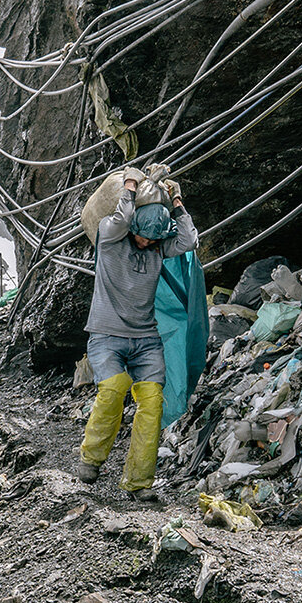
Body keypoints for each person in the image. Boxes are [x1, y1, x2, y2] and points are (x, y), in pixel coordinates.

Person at [77, 166, 199, 501]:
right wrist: (130, 185)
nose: (146, 242)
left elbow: (188, 239)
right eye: (143, 236)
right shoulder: (110, 239)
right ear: (132, 228)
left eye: (152, 239)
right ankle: (91, 458)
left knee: (151, 404)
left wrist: (176, 201)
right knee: (114, 387)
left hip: (146, 339)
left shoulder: (158, 248)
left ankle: (138, 482)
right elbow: (121, 216)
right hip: (106, 335)